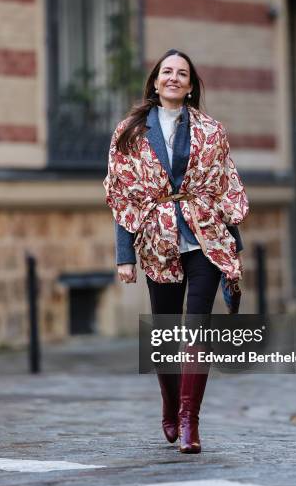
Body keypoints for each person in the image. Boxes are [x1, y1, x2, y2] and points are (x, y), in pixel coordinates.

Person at [103, 48, 249, 453]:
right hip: (157, 240)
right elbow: (123, 197)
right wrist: (124, 255)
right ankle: (170, 402)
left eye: (182, 73)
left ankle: (189, 420)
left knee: (197, 325)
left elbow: (224, 186)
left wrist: (233, 248)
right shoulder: (130, 132)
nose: (174, 78)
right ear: (154, 81)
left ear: (190, 85)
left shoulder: (211, 131)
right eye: (167, 71)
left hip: (205, 239)